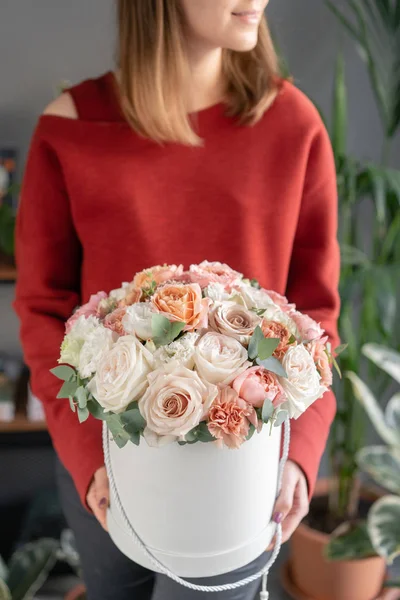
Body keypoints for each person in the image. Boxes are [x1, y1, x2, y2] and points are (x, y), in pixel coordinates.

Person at [13, 1, 340, 598]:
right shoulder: (70, 130)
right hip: (105, 460)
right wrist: (90, 458)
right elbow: (42, 311)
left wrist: (300, 451)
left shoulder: (293, 124)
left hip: (242, 465)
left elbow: (316, 310)